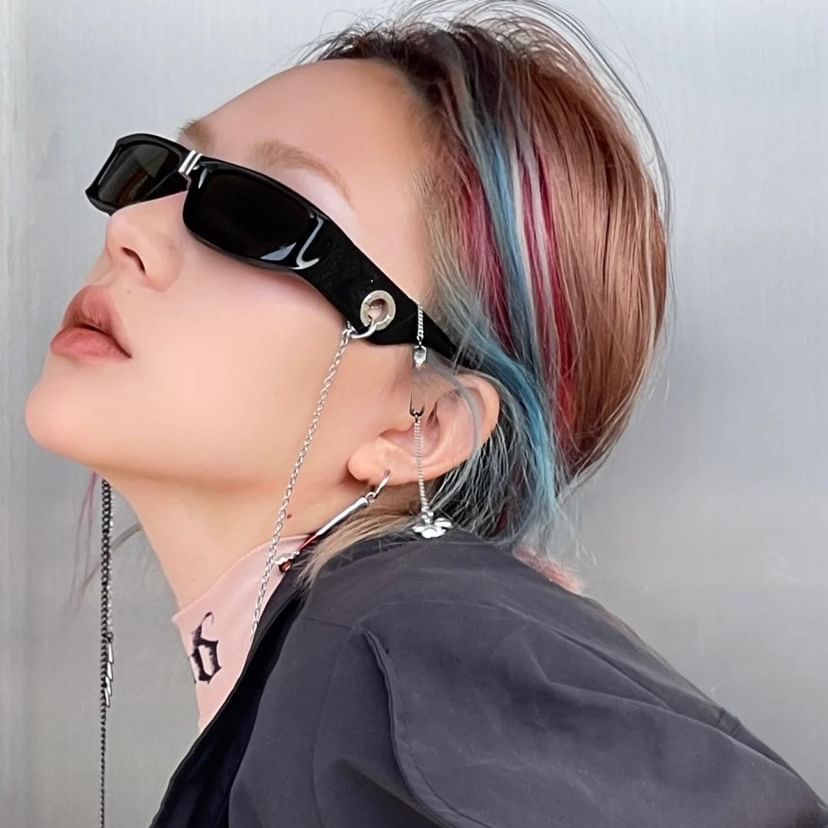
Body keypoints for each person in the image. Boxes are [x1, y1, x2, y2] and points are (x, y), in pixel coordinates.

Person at [24, 1, 828, 826]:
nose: (132, 225)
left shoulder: (391, 648)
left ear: (420, 425)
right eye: (161, 174)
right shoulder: (348, 661)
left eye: (261, 218)